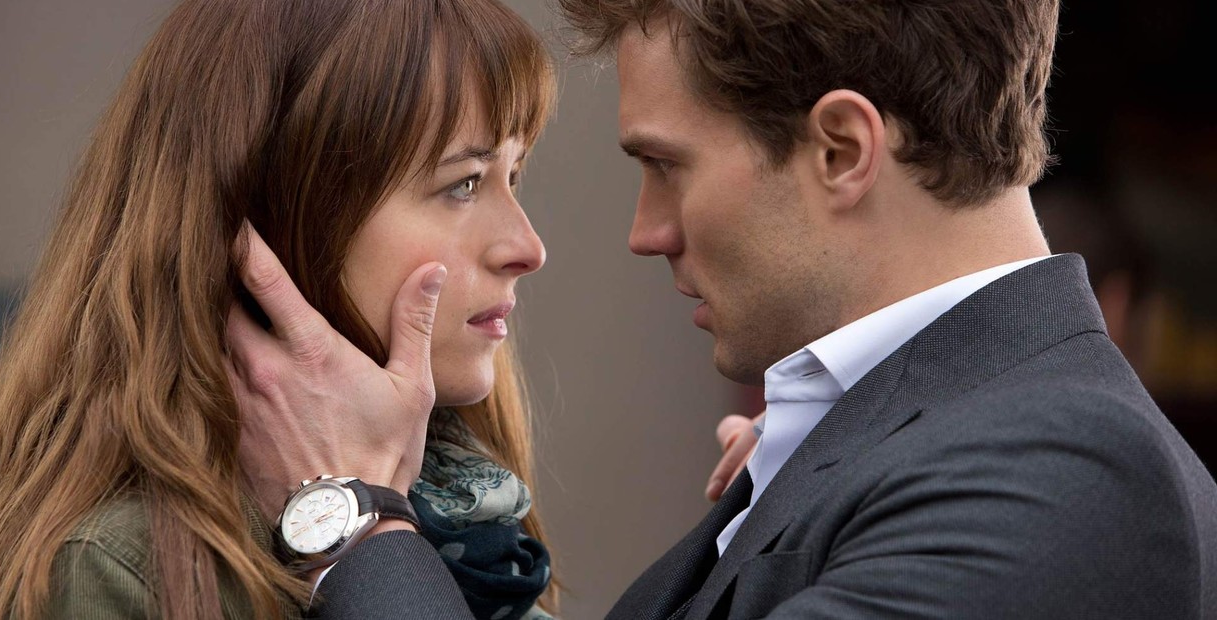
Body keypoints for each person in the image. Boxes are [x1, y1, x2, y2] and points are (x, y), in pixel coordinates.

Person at [229, 0, 1217, 618]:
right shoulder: (930, 442)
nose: (644, 230)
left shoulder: (1066, 476)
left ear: (840, 150)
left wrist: (352, 517)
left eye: (666, 166)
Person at [0, 0, 567, 618]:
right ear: (280, 220)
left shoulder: (484, 534)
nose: (527, 248)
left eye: (514, 176)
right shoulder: (128, 570)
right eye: (463, 183)